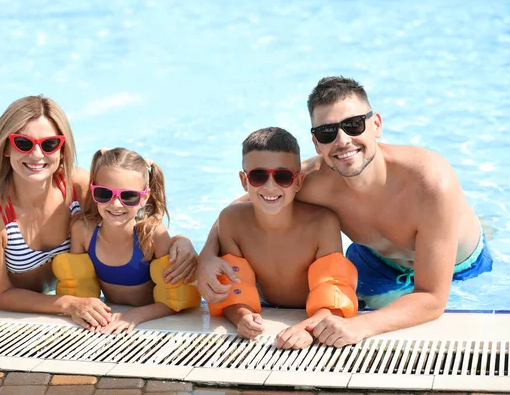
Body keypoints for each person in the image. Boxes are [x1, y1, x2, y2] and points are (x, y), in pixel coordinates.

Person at [198, 77, 492, 348]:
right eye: (327, 132)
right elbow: (243, 205)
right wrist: (207, 257)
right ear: (316, 142)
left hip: (460, 266)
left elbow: (432, 298)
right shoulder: (313, 181)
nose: (342, 141)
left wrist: (362, 326)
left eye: (353, 125)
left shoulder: (429, 183)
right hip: (374, 260)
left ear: (376, 124)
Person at [0, 96, 197, 332]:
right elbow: (1, 295)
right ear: (6, 147)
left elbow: (125, 218)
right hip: (31, 303)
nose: (37, 155)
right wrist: (69, 304)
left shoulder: (76, 187)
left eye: (48, 144)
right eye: (23, 143)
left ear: (61, 148)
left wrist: (182, 242)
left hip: (70, 294)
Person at [208, 127, 358, 350]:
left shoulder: (322, 223)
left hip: (313, 309)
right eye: (258, 176)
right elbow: (233, 291)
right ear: (243, 181)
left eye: (283, 177)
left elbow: (335, 293)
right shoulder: (232, 221)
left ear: (298, 182)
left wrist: (308, 327)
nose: (270, 186)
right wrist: (241, 316)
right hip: (267, 303)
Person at [68, 147, 200, 334]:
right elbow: (77, 286)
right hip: (110, 318)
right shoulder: (83, 232)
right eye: (104, 194)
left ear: (144, 197)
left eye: (128, 196)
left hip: (149, 318)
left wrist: (135, 315)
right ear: (93, 190)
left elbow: (176, 298)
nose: (115, 204)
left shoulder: (152, 235)